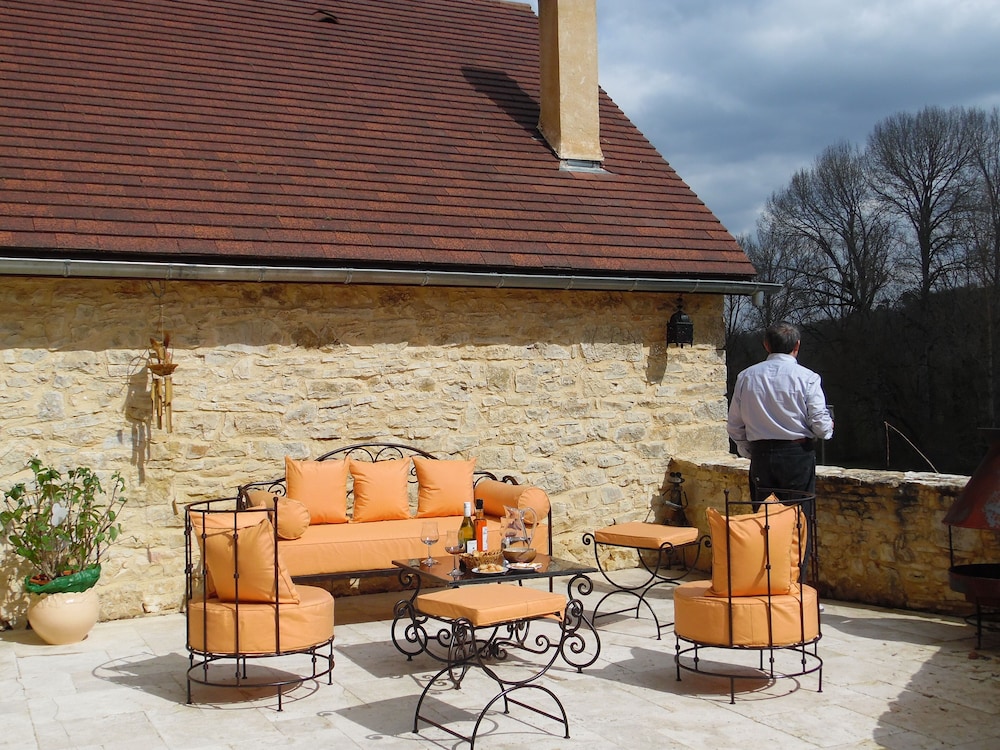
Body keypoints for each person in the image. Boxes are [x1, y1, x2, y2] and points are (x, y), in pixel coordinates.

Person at [727, 321, 834, 582]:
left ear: (766, 345)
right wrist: (829, 428)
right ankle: (795, 587)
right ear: (797, 346)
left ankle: (765, 583)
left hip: (762, 457)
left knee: (764, 521)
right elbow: (820, 424)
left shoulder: (747, 376)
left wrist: (747, 449)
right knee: (799, 523)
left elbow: (734, 424)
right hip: (796, 456)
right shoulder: (808, 378)